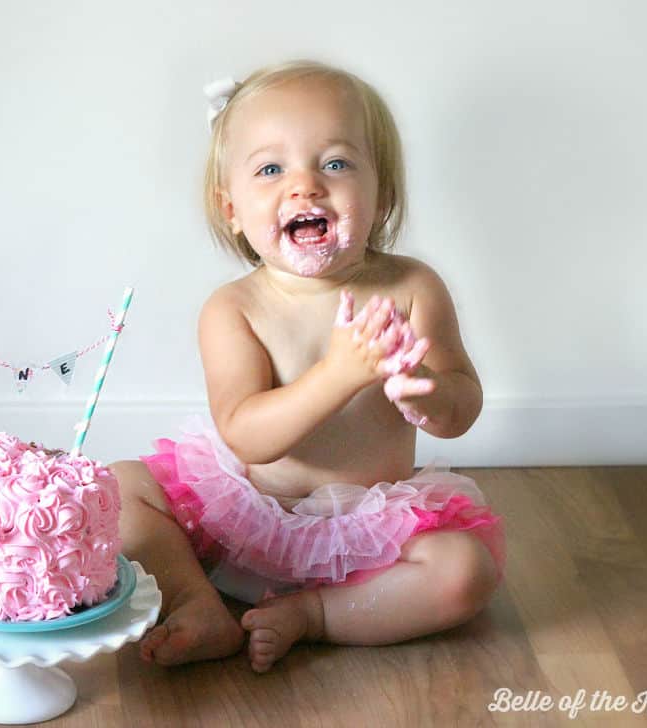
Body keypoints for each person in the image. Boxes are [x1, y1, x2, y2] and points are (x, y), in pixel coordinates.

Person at [110, 59, 505, 674]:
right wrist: (340, 374)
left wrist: (427, 396)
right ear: (232, 208)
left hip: (367, 542)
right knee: (115, 490)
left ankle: (318, 615)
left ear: (383, 195)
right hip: (240, 522)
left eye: (336, 163)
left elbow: (462, 406)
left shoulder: (412, 288)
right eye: (271, 169)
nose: (305, 186)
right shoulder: (234, 308)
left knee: (466, 572)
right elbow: (246, 432)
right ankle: (196, 602)